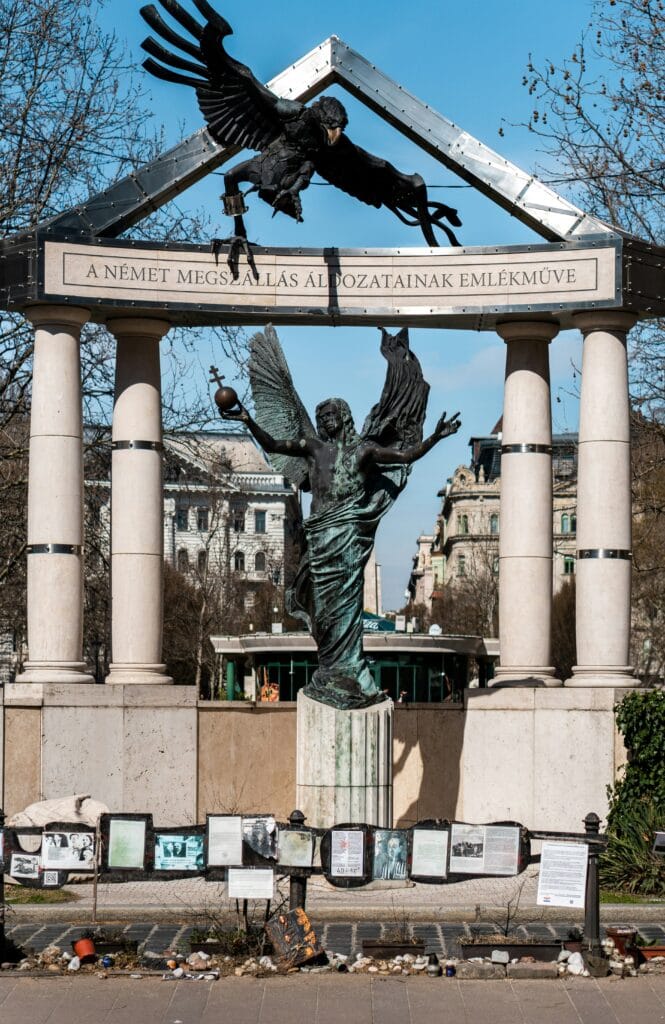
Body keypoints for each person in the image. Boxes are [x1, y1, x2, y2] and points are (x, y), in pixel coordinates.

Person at [221, 395, 459, 708]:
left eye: (330, 414)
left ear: (343, 416)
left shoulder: (364, 450)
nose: (325, 420)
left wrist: (435, 438)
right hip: (320, 538)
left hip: (348, 535)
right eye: (321, 417)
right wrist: (247, 420)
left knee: (347, 608)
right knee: (321, 612)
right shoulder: (313, 447)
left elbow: (404, 456)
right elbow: (274, 445)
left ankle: (352, 674)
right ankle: (329, 672)